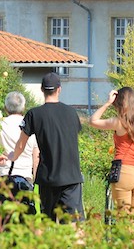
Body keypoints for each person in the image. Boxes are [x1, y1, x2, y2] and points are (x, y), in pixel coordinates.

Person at [12, 72, 84, 221]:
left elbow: (21, 143)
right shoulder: (72, 113)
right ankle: (75, 245)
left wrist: (13, 156)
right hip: (71, 176)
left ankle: (50, 244)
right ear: (59, 89)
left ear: (41, 89)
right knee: (73, 221)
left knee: (47, 220)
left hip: (47, 177)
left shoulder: (34, 114)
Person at [90, 86, 134, 214]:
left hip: (124, 171)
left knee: (123, 220)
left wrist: (107, 103)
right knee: (133, 218)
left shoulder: (119, 122)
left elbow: (93, 121)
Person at [0, 90, 39, 225]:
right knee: (26, 221)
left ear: (6, 108)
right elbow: (36, 157)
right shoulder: (30, 125)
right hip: (25, 178)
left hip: (4, 176)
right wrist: (36, 182)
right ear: (23, 107)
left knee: (3, 220)